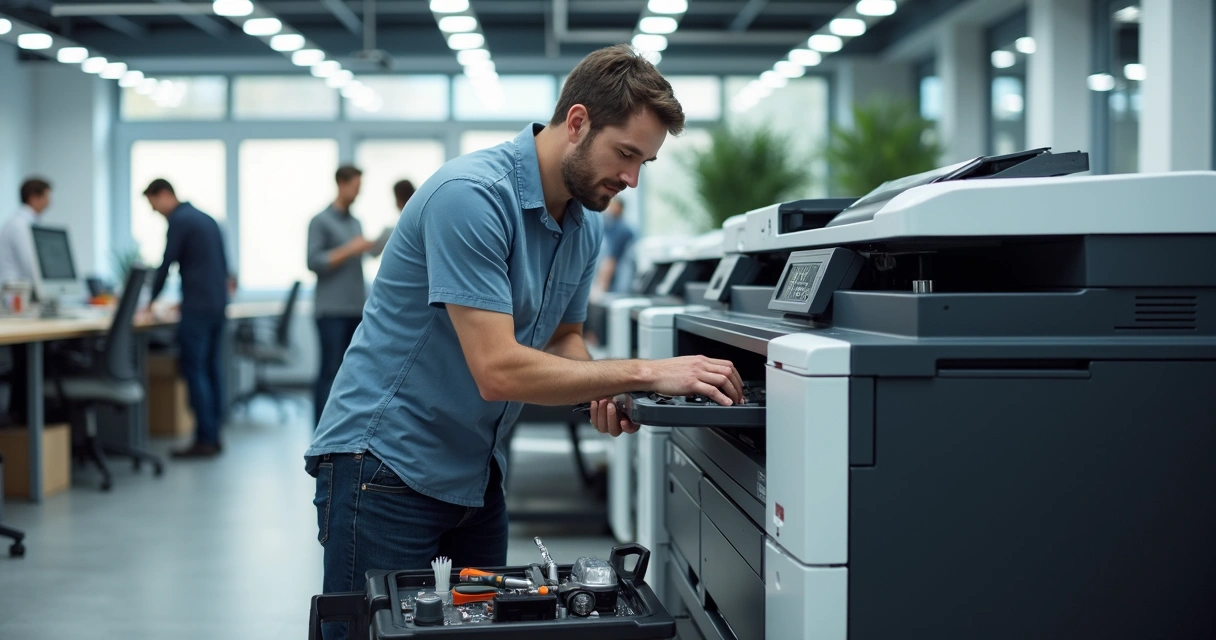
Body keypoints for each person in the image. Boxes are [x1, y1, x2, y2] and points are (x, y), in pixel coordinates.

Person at [306, 45, 744, 638]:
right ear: (579, 122)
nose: (632, 179)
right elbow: (498, 369)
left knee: (486, 629)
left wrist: (601, 389)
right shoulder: (471, 197)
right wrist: (642, 372)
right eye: (626, 154)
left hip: (477, 470)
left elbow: (564, 336)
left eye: (646, 162)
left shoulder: (582, 228)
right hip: (386, 467)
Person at [143, 179, 231, 458]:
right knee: (212, 370)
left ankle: (203, 439)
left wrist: (148, 303)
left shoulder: (179, 220)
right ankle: (213, 435)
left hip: (198, 310)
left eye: (153, 204)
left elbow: (166, 264)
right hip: (217, 305)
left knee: (194, 371)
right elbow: (217, 267)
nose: (155, 211)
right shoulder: (207, 219)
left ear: (164, 194)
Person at [306, 165, 382, 428]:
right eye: (356, 186)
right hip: (331, 311)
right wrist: (351, 248)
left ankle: (345, 429)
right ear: (341, 183)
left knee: (353, 375)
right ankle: (320, 430)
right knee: (329, 373)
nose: (359, 192)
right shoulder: (320, 221)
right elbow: (314, 262)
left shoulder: (355, 222)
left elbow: (363, 254)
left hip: (354, 309)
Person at [0, 178, 52, 286]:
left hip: (21, 288)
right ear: (33, 198)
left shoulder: (27, 223)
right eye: (46, 197)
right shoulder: (19, 224)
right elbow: (31, 264)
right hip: (14, 290)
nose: (49, 202)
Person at [594, 197, 636, 294]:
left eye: (612, 205)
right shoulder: (614, 227)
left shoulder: (620, 229)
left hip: (619, 284)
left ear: (620, 208)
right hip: (621, 283)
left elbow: (610, 260)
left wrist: (602, 287)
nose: (608, 209)